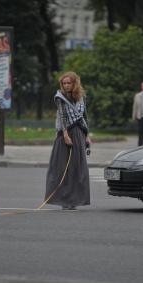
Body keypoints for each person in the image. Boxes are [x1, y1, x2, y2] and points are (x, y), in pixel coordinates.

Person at [45, 71, 91, 211]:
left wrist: (87, 135)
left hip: (79, 133)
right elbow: (63, 117)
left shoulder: (81, 97)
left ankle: (75, 200)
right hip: (66, 134)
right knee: (62, 168)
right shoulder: (59, 97)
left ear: (74, 83)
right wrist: (65, 134)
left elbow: (84, 116)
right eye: (64, 83)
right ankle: (64, 200)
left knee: (78, 168)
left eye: (68, 83)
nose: (66, 85)